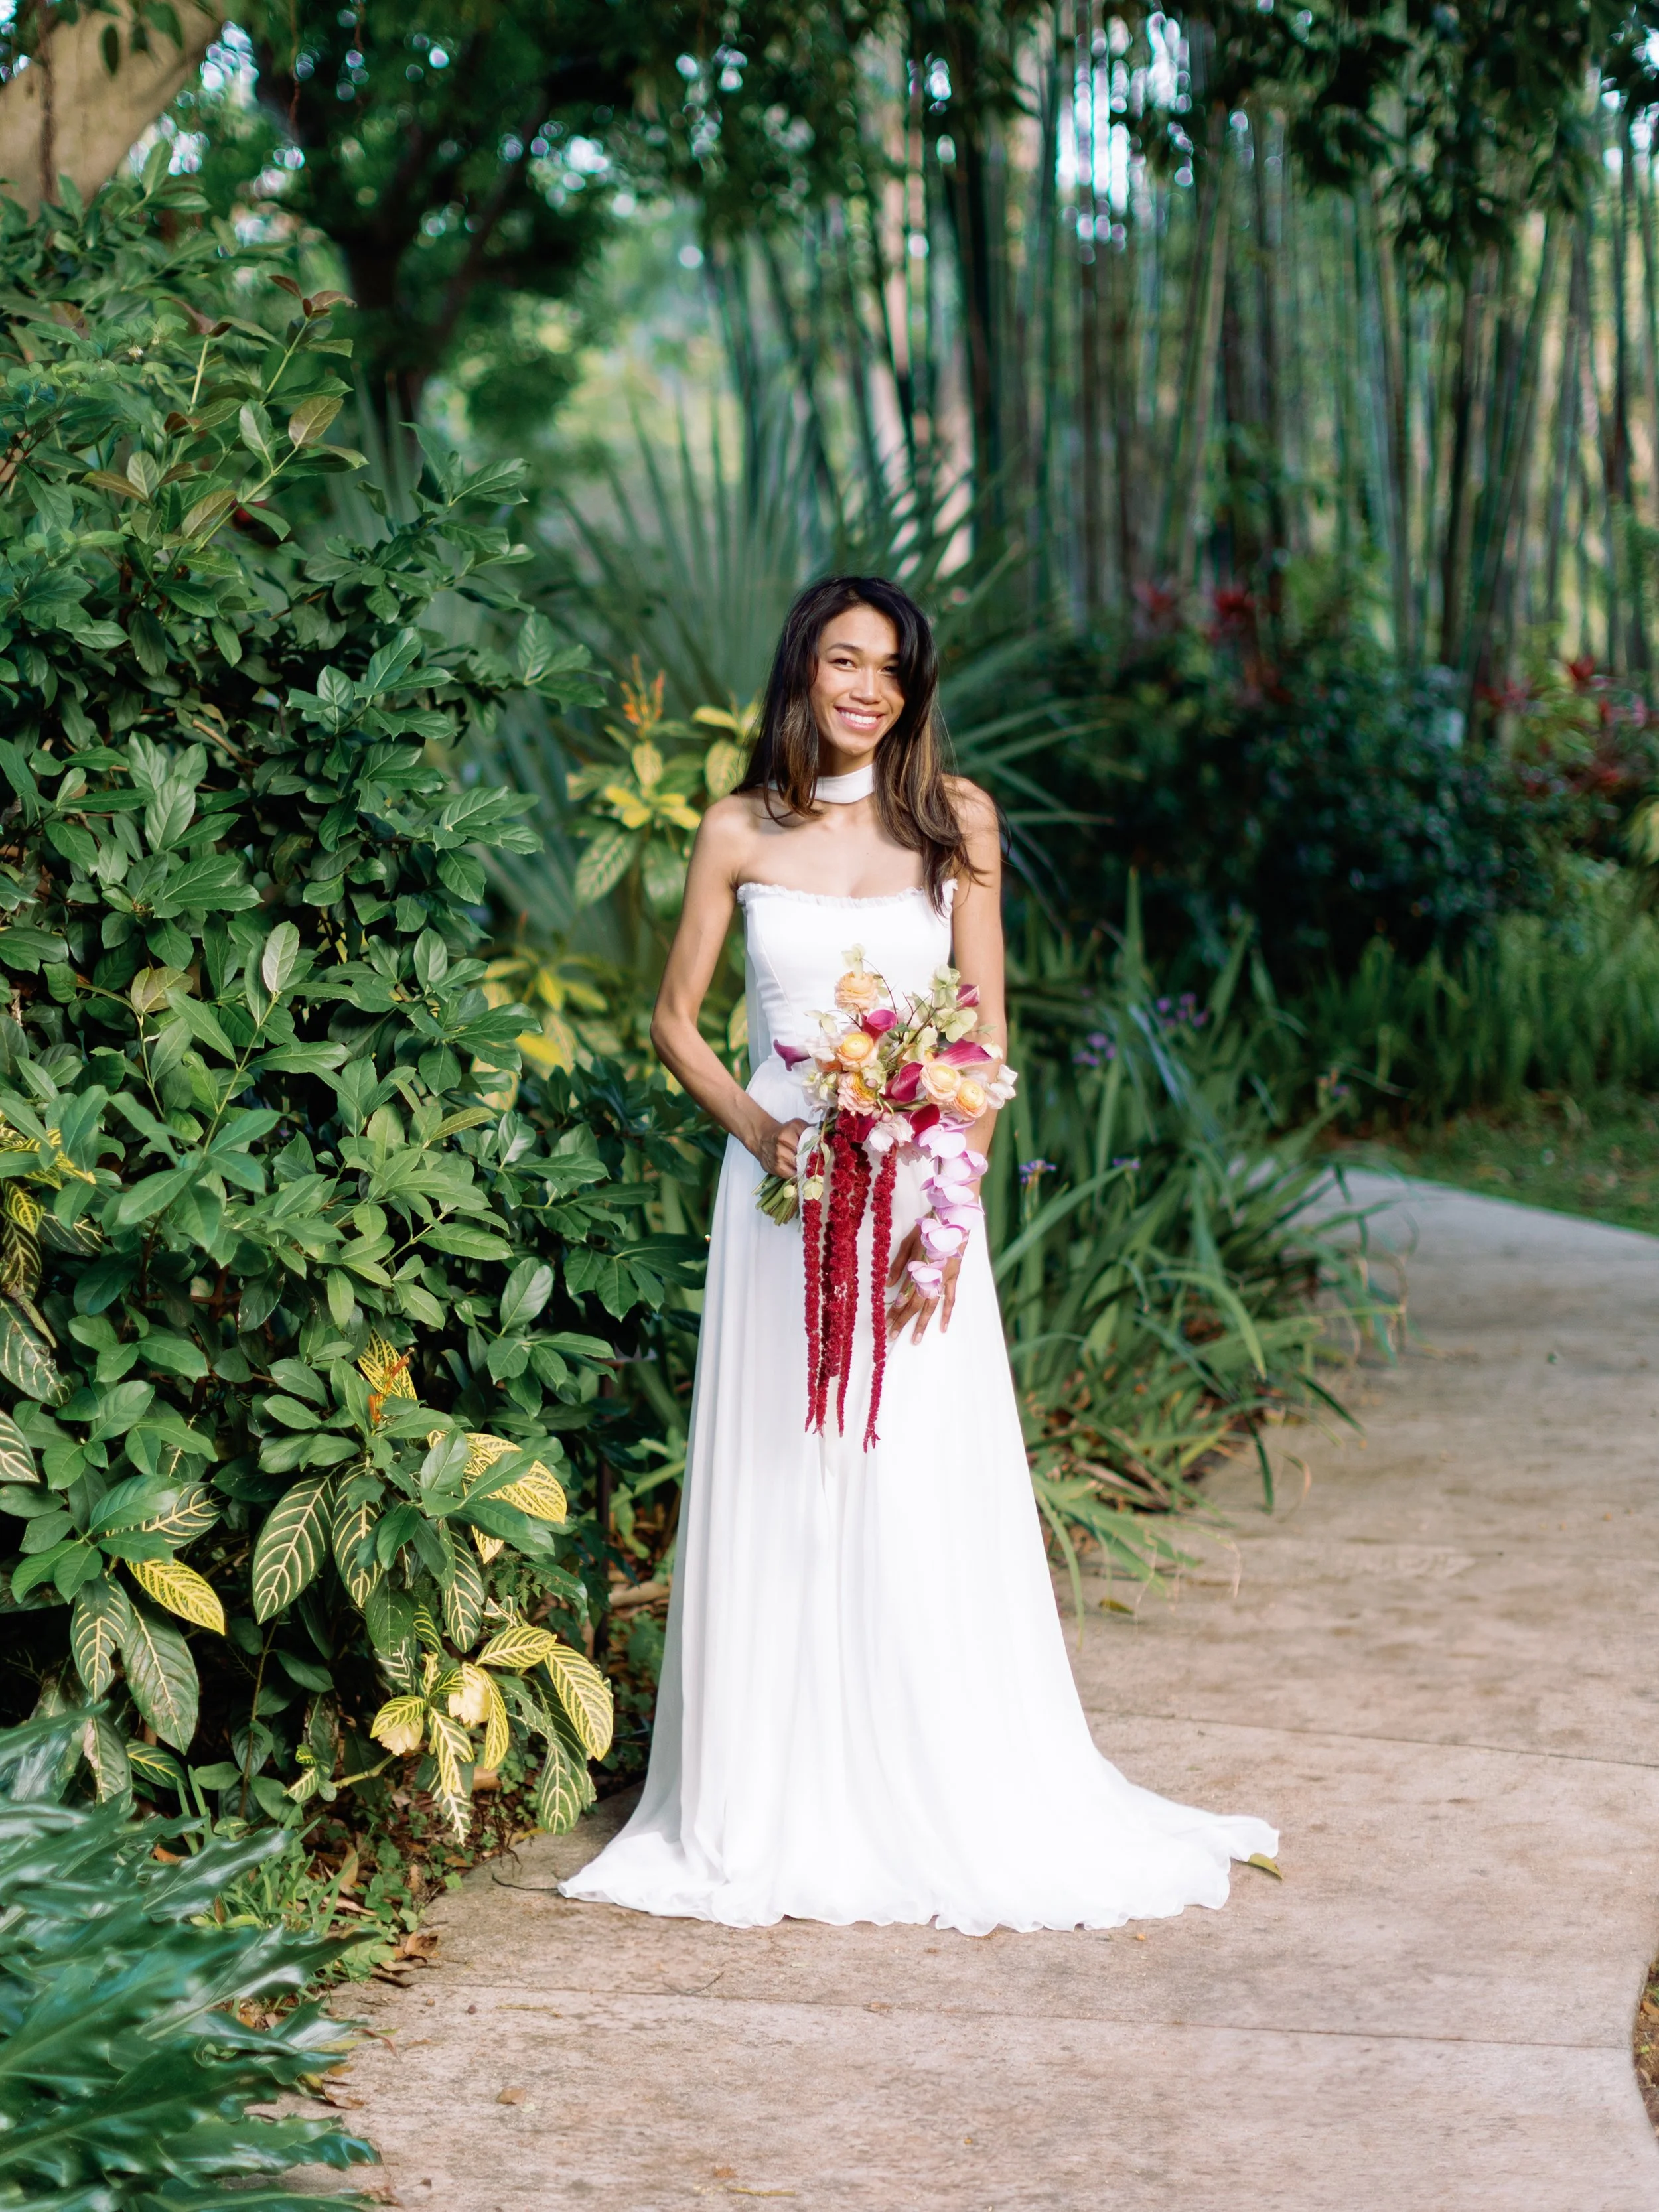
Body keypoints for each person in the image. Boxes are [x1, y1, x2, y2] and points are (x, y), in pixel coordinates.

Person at [561, 576, 1277, 1933]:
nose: (865, 688)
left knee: (905, 1476)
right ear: (802, 670)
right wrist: (761, 1132)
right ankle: (766, 1792)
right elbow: (674, 1020)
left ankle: (928, 1773)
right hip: (783, 1197)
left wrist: (948, 1219)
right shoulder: (733, 829)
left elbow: (980, 1037)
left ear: (912, 687)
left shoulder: (956, 824)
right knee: (781, 1465)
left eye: (889, 668)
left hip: (910, 1202)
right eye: (842, 660)